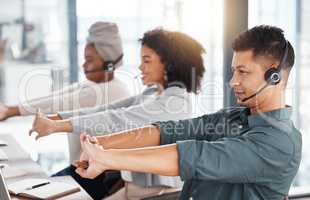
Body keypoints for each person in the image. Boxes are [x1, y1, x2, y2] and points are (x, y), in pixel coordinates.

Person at [74, 25, 302, 200]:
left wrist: (106, 159)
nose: (233, 82)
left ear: (275, 77)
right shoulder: (236, 116)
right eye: (234, 71)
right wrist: (100, 144)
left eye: (243, 72)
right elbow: (171, 131)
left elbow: (194, 156)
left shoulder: (280, 143)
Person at [29, 29, 206, 200]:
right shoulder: (152, 92)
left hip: (157, 194)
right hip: (135, 188)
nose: (140, 66)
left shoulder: (175, 102)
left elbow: (118, 119)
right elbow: (108, 110)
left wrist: (57, 126)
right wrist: (55, 120)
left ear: (169, 64)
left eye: (147, 60)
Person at [0, 21, 130, 120]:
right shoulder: (98, 84)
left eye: (89, 60)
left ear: (109, 64)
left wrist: (11, 111)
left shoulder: (111, 91)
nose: (84, 65)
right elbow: (59, 95)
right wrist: (9, 108)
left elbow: (61, 102)